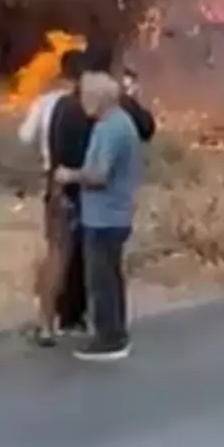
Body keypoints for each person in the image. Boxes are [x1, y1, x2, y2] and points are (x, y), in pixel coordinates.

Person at [50, 48, 156, 338]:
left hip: (87, 197)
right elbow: (148, 128)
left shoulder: (76, 109)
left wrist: (65, 179)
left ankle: (84, 322)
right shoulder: (120, 110)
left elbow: (60, 149)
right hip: (100, 201)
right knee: (103, 267)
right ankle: (103, 324)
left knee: (86, 263)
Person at [32, 48, 87, 345]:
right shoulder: (82, 104)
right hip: (74, 186)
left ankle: (48, 321)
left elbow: (25, 137)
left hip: (55, 182)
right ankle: (69, 317)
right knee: (72, 254)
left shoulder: (46, 102)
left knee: (57, 253)